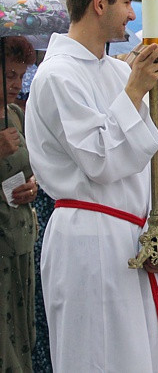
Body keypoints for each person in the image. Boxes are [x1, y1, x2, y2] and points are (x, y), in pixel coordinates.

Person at [25, 0, 158, 372]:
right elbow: (99, 161)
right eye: (127, 2)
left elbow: (149, 161)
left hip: (133, 242)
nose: (133, 14)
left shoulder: (117, 74)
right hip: (88, 237)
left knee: (140, 359)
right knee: (97, 358)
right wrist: (134, 92)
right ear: (99, 4)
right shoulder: (57, 76)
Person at [0, 36, 38, 372]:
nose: (17, 83)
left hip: (21, 242)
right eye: (10, 75)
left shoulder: (14, 113)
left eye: (21, 75)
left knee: (23, 336)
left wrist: (32, 187)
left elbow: (30, 171)